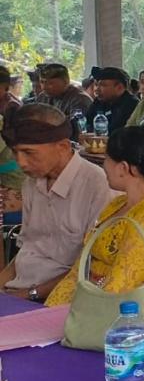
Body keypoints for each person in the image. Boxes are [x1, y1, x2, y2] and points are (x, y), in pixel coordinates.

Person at [45, 125, 144, 338]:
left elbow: (119, 287)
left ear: (123, 167)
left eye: (107, 159)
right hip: (104, 308)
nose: (104, 165)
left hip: (141, 327)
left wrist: (71, 323)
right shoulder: (118, 204)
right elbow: (82, 267)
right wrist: (49, 313)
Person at [0, 104, 115, 301]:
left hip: (61, 300)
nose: (21, 163)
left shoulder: (97, 185)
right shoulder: (31, 183)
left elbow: (92, 268)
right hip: (21, 292)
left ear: (62, 146)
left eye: (29, 152)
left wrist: (29, 295)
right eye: (16, 153)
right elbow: (27, 251)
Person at [35, 63, 92, 136]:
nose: (44, 87)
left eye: (50, 83)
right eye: (42, 82)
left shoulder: (80, 99)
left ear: (65, 82)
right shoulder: (42, 97)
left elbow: (75, 127)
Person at [88, 67, 138, 132]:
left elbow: (116, 130)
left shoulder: (131, 104)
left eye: (103, 85)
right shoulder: (98, 102)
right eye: (96, 85)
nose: (97, 89)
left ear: (119, 88)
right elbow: (87, 123)